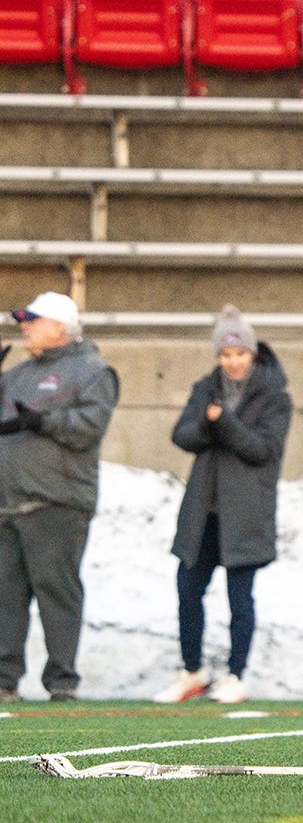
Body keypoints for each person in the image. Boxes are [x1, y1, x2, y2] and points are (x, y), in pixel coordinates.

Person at [154, 306, 292, 706]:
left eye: (240, 354)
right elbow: (182, 435)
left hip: (245, 513)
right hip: (203, 513)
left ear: (253, 355)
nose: (233, 362)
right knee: (188, 590)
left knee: (239, 599)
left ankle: (236, 675)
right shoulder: (205, 388)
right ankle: (192, 671)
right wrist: (209, 423)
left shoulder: (275, 398)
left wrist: (223, 423)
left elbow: (263, 450)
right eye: (226, 355)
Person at [0, 292, 119, 703]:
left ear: (59, 325)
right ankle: (4, 680)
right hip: (8, 503)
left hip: (57, 500)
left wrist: (42, 421)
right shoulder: (14, 375)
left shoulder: (92, 371)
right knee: (5, 594)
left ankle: (62, 681)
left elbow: (90, 424)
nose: (24, 325)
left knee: (57, 592)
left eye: (33, 319)